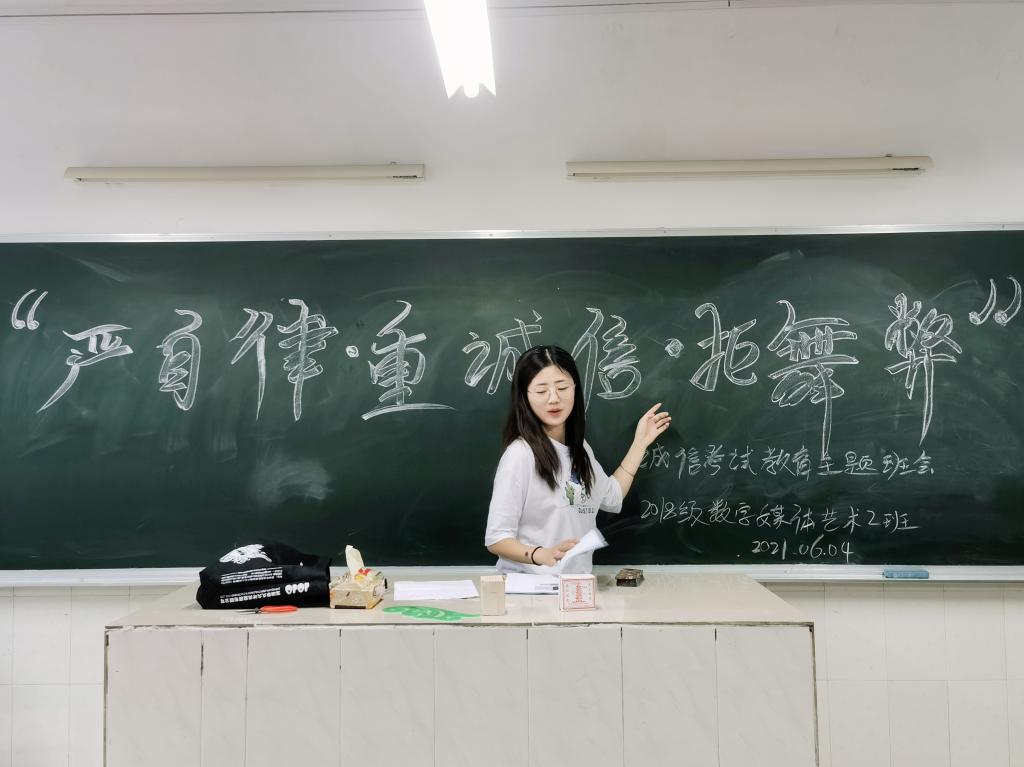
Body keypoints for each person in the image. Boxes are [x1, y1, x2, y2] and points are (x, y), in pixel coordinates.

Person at [484, 345, 671, 573]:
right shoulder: (520, 455)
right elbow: (496, 538)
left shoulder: (579, 449)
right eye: (541, 391)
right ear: (525, 397)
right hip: (530, 587)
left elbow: (611, 497)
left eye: (562, 387)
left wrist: (640, 443)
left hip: (574, 586)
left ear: (575, 388)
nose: (554, 399)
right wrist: (541, 554)